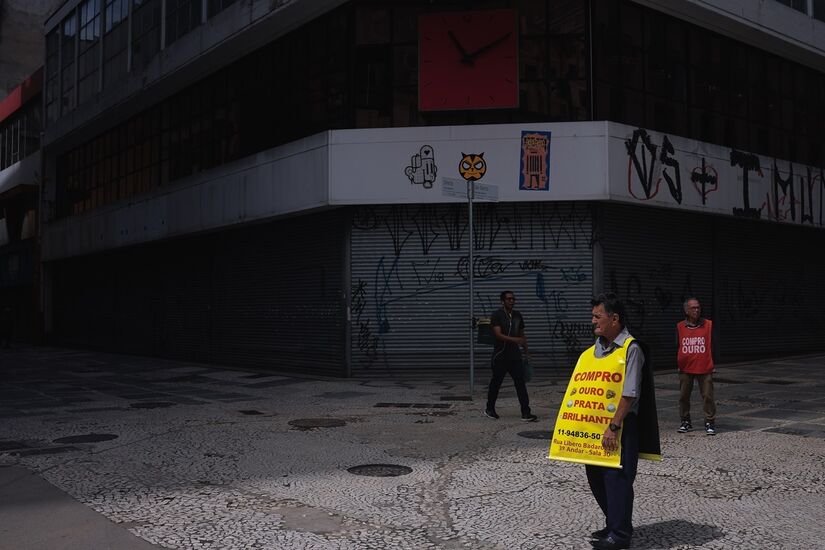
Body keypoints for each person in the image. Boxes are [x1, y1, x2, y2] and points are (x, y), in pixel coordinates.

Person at [585, 293, 659, 550]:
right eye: (593, 316)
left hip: (620, 427)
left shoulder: (631, 348)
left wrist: (613, 426)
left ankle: (620, 535)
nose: (593, 321)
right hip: (596, 427)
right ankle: (612, 522)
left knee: (617, 479)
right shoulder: (595, 349)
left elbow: (630, 394)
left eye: (598, 316)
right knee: (595, 475)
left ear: (614, 318)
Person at [484, 290, 537, 422]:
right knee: (496, 383)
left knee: (520, 383)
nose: (511, 301)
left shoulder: (517, 315)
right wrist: (515, 340)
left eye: (513, 299)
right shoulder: (497, 315)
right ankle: (490, 409)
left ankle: (526, 412)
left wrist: (526, 352)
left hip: (515, 357)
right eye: (508, 299)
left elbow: (522, 335)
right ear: (503, 301)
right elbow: (498, 334)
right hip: (500, 356)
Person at [676, 297, 717, 436]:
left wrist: (713, 363)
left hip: (704, 366)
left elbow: (713, 344)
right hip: (685, 367)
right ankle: (685, 421)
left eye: (698, 307)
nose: (697, 310)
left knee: (707, 396)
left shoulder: (708, 325)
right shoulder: (680, 326)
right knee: (683, 396)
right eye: (693, 308)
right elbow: (677, 345)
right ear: (686, 310)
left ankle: (709, 422)